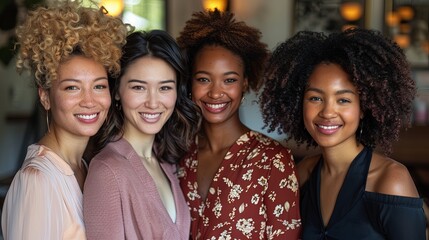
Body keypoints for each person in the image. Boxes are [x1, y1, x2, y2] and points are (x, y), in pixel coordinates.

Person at [260, 28, 427, 239]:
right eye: (315, 98)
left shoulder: (390, 180)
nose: (328, 112)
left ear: (365, 108)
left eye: (344, 100)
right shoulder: (303, 173)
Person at [1, 1, 130, 239]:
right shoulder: (36, 181)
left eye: (99, 86)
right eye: (72, 88)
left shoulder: (86, 166)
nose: (89, 101)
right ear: (45, 97)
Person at [176, 9, 301, 239]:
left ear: (244, 83)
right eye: (203, 79)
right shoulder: (178, 153)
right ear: (189, 83)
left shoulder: (273, 160)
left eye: (229, 80)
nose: (215, 93)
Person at [83, 30, 200, 239]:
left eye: (164, 88)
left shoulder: (166, 162)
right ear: (117, 91)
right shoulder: (107, 171)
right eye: (139, 87)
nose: (153, 103)